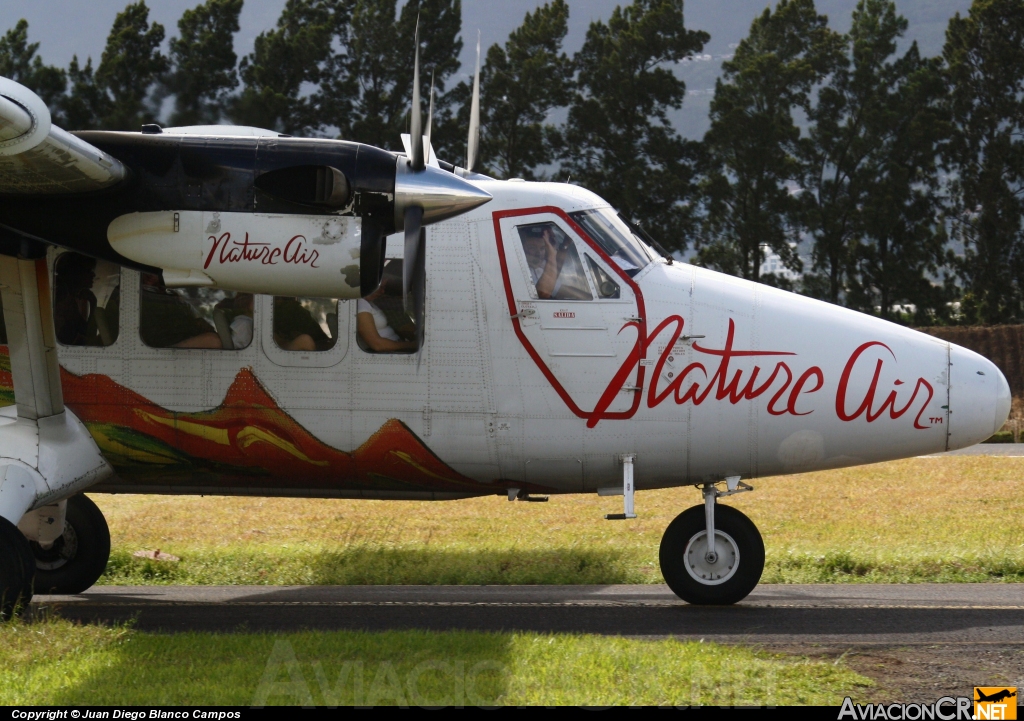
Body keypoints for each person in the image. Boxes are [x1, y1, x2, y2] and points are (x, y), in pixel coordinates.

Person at [139, 273, 222, 349]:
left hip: (177, 340)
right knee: (212, 341)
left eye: (154, 272)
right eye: (145, 271)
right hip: (161, 345)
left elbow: (198, 321)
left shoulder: (174, 298)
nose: (149, 274)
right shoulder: (141, 298)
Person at [357, 274, 417, 353]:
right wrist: (411, 345)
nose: (383, 291)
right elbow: (377, 345)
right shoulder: (360, 304)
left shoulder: (370, 303)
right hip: (386, 353)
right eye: (381, 287)